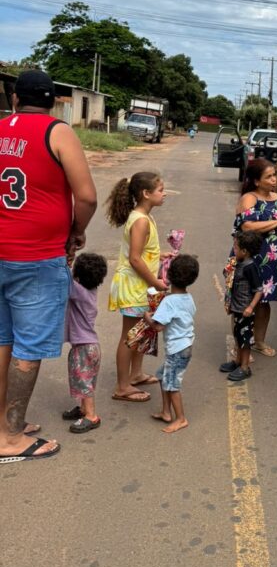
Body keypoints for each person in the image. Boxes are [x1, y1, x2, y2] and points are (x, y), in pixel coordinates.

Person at [0, 69, 97, 463]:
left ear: (15, 100)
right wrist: (76, 232)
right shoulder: (57, 133)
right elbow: (87, 196)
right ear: (55, 101)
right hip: (36, 257)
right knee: (27, 347)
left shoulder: (2, 127)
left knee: (3, 340)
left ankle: (5, 424)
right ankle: (10, 438)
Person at [105, 171, 168, 402]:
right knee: (129, 336)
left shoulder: (145, 216)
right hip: (134, 286)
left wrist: (161, 255)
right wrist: (155, 282)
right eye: (161, 190)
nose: (164, 194)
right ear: (146, 193)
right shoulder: (140, 220)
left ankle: (136, 374)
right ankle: (122, 386)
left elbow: (144, 252)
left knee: (141, 331)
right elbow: (134, 258)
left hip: (141, 286)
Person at [233, 159, 277, 356]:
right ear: (256, 181)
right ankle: (241, 348)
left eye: (274, 175)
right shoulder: (249, 198)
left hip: (273, 260)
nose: (274, 180)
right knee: (243, 300)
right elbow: (247, 227)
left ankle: (259, 341)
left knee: (264, 300)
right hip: (251, 258)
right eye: (268, 176)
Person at [149, 254, 199, 433]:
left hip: (177, 349)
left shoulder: (169, 301)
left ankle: (181, 418)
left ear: (169, 275)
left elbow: (158, 327)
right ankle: (165, 412)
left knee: (172, 383)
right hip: (185, 346)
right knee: (162, 376)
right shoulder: (188, 298)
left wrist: (147, 317)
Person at [62, 252, 108, 434]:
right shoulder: (90, 291)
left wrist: (64, 261)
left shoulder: (78, 291)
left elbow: (64, 278)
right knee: (85, 380)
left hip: (84, 348)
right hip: (90, 346)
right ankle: (82, 409)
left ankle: (91, 415)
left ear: (78, 275)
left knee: (84, 382)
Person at [220, 231, 263, 382]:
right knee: (238, 336)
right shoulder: (238, 263)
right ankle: (238, 361)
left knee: (245, 340)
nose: (234, 251)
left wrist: (250, 307)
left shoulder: (250, 267)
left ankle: (245, 367)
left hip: (245, 310)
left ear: (245, 251)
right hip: (237, 308)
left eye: (236, 248)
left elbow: (259, 290)